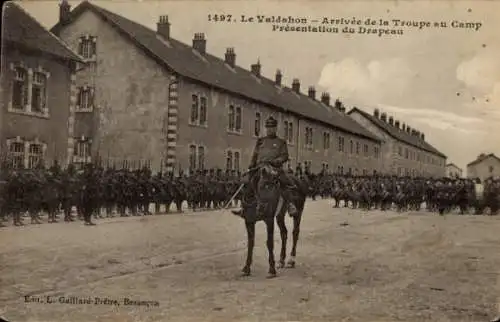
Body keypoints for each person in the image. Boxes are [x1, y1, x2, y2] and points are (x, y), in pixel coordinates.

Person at [232, 116, 298, 217]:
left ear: (276, 129)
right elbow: (255, 154)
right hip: (259, 168)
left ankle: (290, 205)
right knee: (246, 181)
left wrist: (276, 161)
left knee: (286, 182)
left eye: (272, 127)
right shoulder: (260, 141)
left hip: (274, 168)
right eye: (268, 127)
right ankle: (244, 207)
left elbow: (285, 156)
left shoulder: (281, 142)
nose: (269, 130)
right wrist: (251, 165)